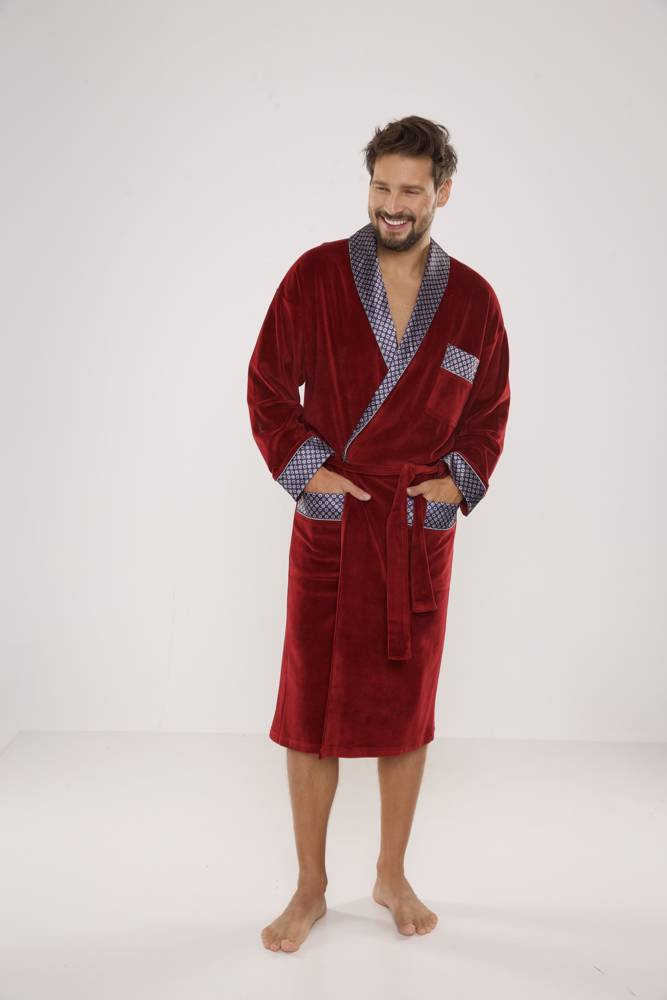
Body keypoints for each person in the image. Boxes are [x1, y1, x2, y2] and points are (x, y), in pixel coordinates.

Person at [247, 115, 511, 952]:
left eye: (410, 191)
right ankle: (310, 886)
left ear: (441, 192)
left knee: (405, 709)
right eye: (380, 187)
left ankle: (391, 875)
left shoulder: (472, 302)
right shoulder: (316, 276)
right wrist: (309, 472)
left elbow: (489, 412)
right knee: (307, 707)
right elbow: (266, 386)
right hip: (335, 526)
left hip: (410, 533)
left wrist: (454, 483)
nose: (392, 205)